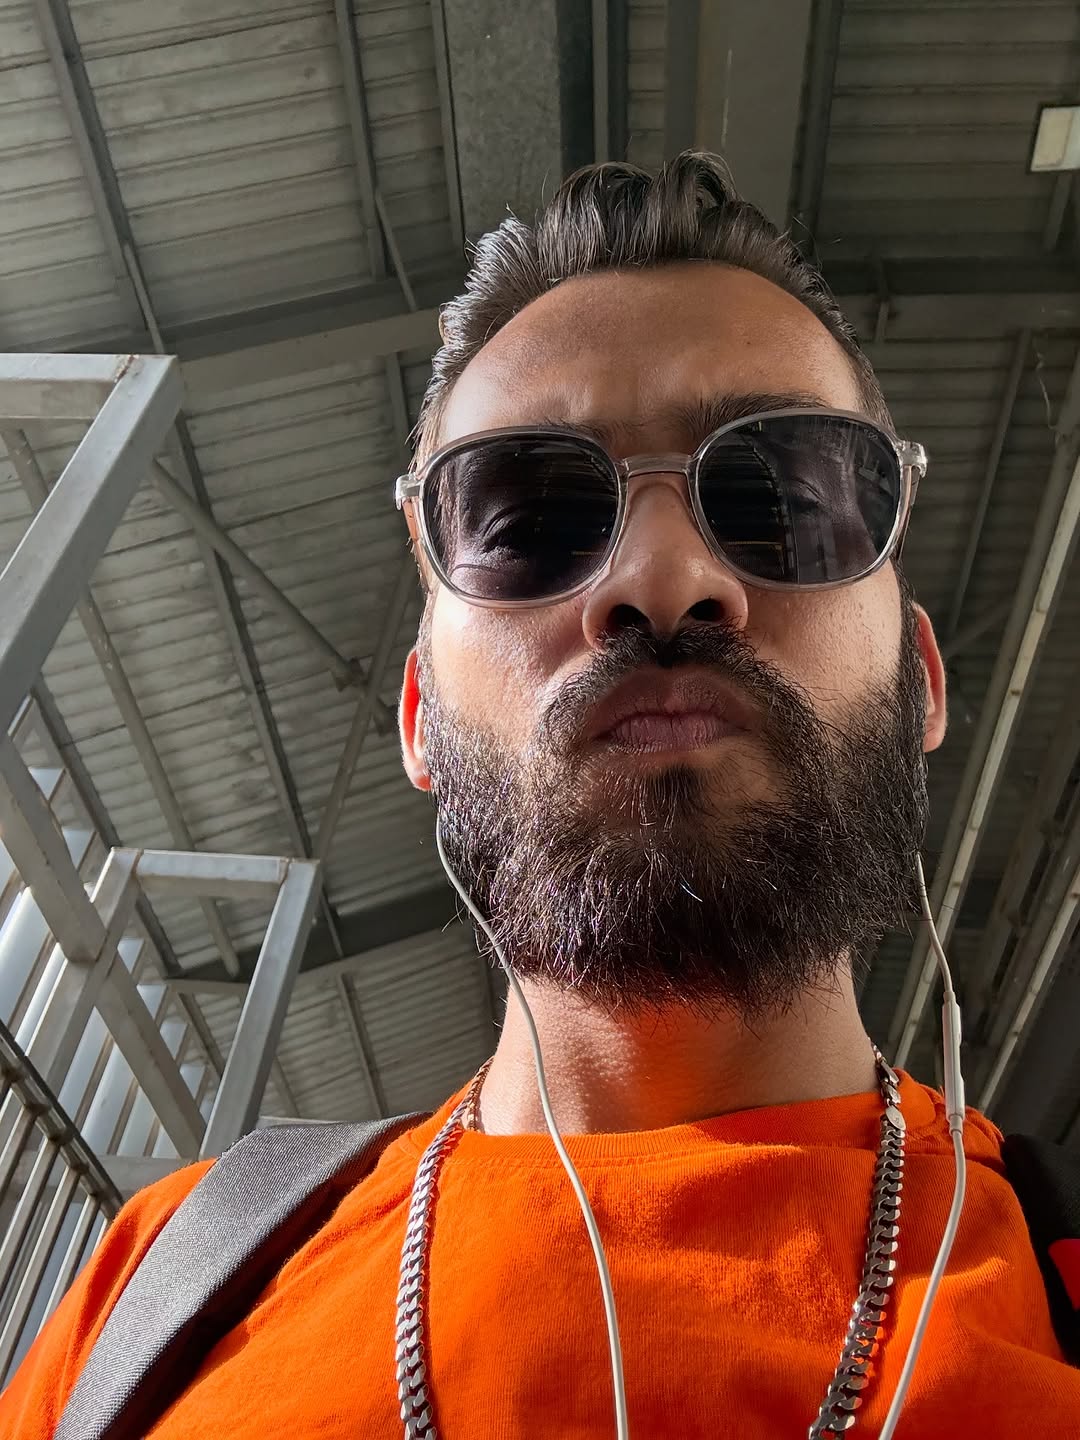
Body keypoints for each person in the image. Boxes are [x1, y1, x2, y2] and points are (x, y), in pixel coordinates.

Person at [4, 151, 1079, 1439]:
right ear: (419, 716)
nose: (663, 576)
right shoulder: (153, 1298)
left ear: (921, 680)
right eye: (526, 526)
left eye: (783, 501)